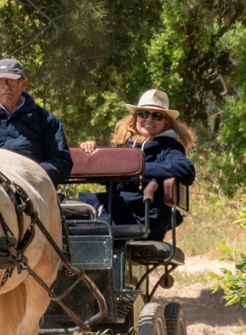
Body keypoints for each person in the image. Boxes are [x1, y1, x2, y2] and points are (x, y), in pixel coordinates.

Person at [79, 89, 195, 241]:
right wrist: (91, 153)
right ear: (135, 118)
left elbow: (186, 170)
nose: (149, 119)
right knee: (70, 219)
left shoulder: (168, 146)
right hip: (116, 210)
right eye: (143, 114)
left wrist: (137, 168)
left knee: (98, 230)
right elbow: (102, 174)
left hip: (147, 214)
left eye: (157, 115)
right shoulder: (123, 146)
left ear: (166, 122)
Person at [0, 58, 73, 184]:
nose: (6, 87)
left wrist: (31, 173)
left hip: (36, 192)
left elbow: (62, 162)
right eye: (0, 82)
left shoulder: (46, 119)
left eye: (12, 81)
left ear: (24, 84)